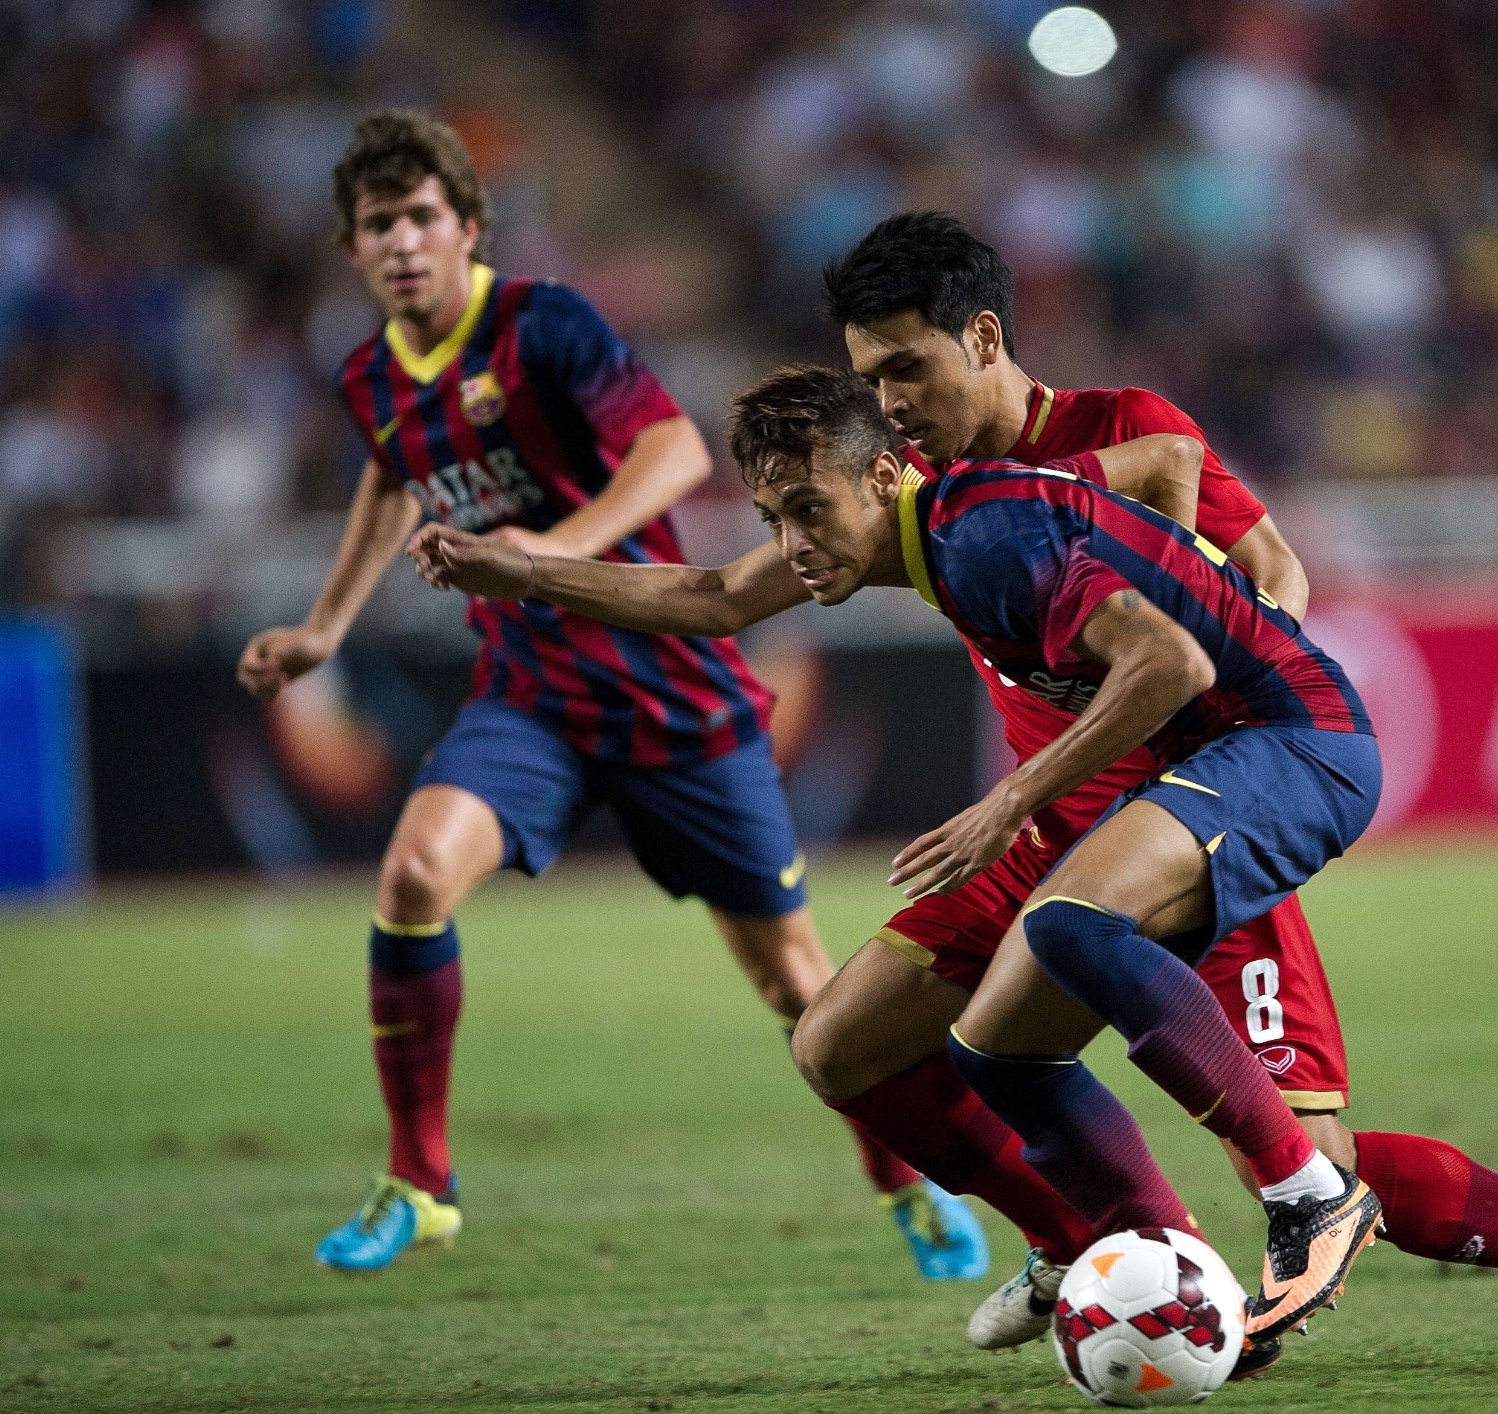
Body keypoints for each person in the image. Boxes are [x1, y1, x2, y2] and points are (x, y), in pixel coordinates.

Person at [411, 365, 1498, 1369]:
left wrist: (1009, 793)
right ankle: (1134, 1249)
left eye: (809, 508)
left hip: (1249, 766)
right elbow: (706, 594)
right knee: (926, 1044)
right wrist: (518, 569)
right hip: (1106, 819)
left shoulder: (995, 519)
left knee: (1286, 1131)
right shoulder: (930, 526)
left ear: (950, 379)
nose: (791, 540)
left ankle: (1440, 1222)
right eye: (776, 515)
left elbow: (1172, 640)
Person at [811, 213, 1498, 1363]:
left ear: (980, 336)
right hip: (1054, 834)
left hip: (1188, 816)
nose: (893, 401)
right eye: (872, 379)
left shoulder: (1128, 429)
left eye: (904, 368)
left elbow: (1274, 574)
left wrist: (1210, 734)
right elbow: (744, 580)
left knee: (1324, 1158)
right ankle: (1108, 1249)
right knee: (864, 1041)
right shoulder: (919, 483)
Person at [235, 111, 989, 1281]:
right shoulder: (371, 376)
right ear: (354, 249)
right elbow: (394, 473)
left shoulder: (544, 324)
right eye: (378, 225)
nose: (401, 242)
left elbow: (674, 457)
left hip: (670, 690)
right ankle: (419, 1182)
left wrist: (541, 559)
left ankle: (906, 1179)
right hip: (530, 696)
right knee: (413, 872)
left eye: (422, 216)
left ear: (466, 227)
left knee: (794, 980)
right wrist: (323, 626)